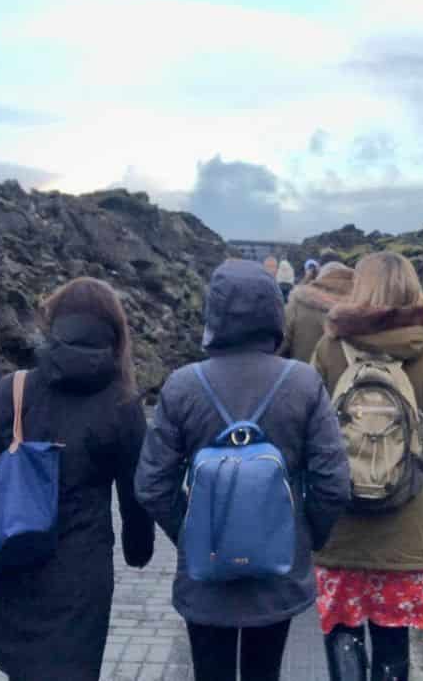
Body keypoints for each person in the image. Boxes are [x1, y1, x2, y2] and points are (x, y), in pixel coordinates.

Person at [136, 259, 351, 681]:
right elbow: (334, 484)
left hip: (206, 576)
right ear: (273, 311)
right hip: (277, 575)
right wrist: (303, 536)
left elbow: (151, 484)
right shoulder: (304, 383)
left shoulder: (182, 384)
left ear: (213, 314)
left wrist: (192, 533)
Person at [0, 277, 155, 681]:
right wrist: (138, 550)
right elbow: (137, 495)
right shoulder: (123, 404)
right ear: (114, 333)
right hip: (80, 576)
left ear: (55, 326)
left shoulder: (12, 389)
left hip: (9, 563)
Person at [311, 252, 423, 681]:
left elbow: (308, 428)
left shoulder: (329, 348)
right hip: (403, 531)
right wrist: (411, 471)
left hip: (340, 528)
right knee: (393, 642)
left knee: (342, 632)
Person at [280, 261, 355, 364]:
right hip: (350, 378)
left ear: (319, 278)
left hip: (303, 376)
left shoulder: (297, 305)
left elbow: (279, 347)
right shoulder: (363, 308)